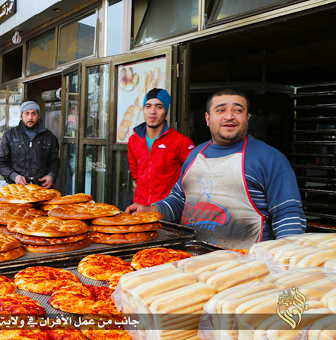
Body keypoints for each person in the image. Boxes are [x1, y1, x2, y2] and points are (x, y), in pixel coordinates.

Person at [126, 88, 306, 249]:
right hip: (191, 259)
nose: (229, 116)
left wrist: (287, 262)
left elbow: (288, 216)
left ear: (247, 118)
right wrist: (152, 210)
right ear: (207, 118)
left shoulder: (270, 159)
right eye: (220, 110)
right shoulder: (195, 155)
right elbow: (179, 201)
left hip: (247, 267)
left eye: (238, 110)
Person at [128, 88, 195, 205]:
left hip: (167, 209)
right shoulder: (134, 140)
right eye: (148, 106)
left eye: (159, 107)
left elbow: (194, 176)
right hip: (140, 206)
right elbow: (135, 172)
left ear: (166, 111)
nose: (152, 111)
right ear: (143, 109)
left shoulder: (181, 142)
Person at [0, 99, 60, 188]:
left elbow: (54, 161)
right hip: (15, 188)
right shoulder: (9, 135)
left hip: (41, 188)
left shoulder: (49, 136)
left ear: (38, 115)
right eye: (27, 113)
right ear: (21, 116)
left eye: (33, 113)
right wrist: (14, 176)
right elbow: (0, 163)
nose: (30, 117)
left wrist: (51, 175)